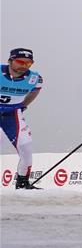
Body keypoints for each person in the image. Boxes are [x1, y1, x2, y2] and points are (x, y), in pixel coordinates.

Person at [0, 48, 43, 189]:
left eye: (28, 63)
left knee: (25, 146)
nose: (24, 66)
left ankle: (22, 183)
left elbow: (35, 91)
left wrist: (24, 105)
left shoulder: (35, 78)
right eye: (20, 62)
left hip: (13, 114)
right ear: (10, 61)